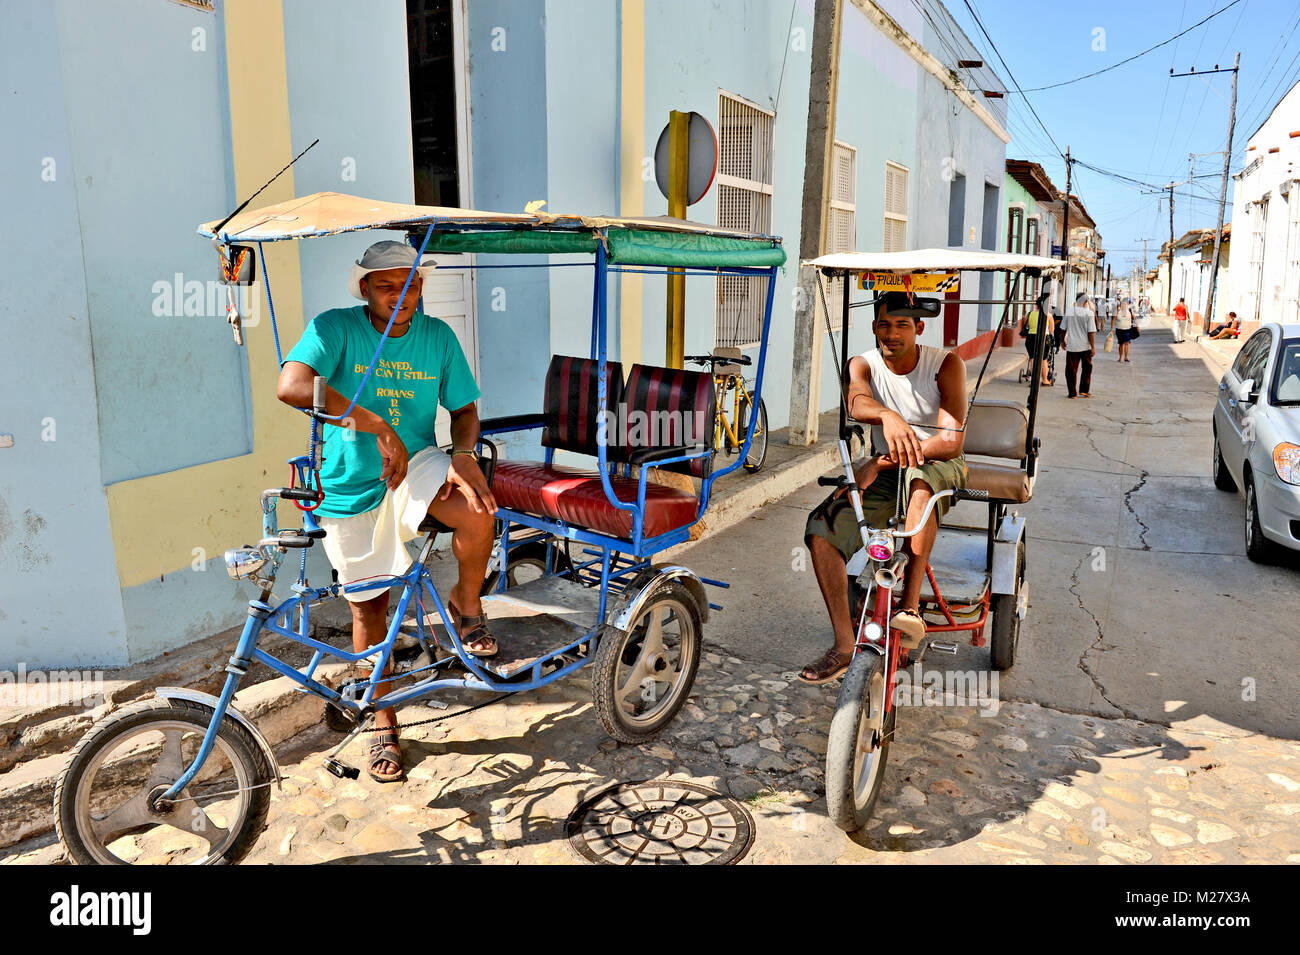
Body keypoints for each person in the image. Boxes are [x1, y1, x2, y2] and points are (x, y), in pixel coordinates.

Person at [277, 240, 498, 783]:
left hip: (420, 461)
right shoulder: (335, 329)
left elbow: (465, 410)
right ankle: (382, 719)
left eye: (412, 285)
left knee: (478, 511)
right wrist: (375, 424)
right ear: (364, 290)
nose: (402, 297)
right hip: (350, 480)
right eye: (387, 286)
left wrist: (463, 455)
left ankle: (466, 607)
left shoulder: (437, 337)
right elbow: (292, 386)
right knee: (369, 609)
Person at [799, 292, 968, 684]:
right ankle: (843, 645)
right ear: (874, 326)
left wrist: (879, 460)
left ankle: (909, 608)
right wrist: (887, 416)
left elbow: (950, 441)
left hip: (939, 465)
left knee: (920, 482)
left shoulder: (945, 365)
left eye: (903, 325)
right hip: (890, 469)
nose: (892, 334)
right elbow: (857, 402)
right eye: (885, 324)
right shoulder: (863, 363)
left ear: (919, 328)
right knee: (820, 529)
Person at [1062, 292, 1097, 398]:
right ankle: (1084, 390)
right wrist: (1093, 347)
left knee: (1071, 370)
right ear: (1086, 302)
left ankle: (1072, 393)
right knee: (1087, 369)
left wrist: (1062, 341)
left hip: (1072, 346)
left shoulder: (1069, 311)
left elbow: (1063, 329)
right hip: (1085, 346)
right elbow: (1091, 332)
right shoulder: (1089, 313)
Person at [1020, 292, 1054, 385]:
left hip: (1031, 338)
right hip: (1044, 337)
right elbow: (1051, 330)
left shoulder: (1030, 314)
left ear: (1036, 305)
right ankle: (1045, 380)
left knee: (1032, 358)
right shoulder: (1049, 315)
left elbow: (1027, 326)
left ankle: (1034, 380)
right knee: (1044, 359)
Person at [1112, 296, 1136, 363]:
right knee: (1121, 344)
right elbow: (1114, 320)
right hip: (1119, 329)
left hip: (1127, 329)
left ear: (1127, 304)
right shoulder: (1117, 311)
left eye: (1125, 304)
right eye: (1123, 304)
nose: (1124, 305)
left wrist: (1138, 326)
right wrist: (1112, 328)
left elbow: (1135, 318)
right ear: (1121, 304)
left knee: (1127, 343)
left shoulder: (1130, 311)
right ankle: (1120, 358)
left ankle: (1126, 357)